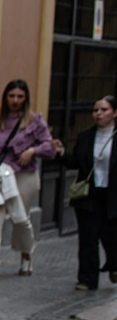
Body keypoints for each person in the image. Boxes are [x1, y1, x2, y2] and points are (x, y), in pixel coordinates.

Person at [0, 80, 61, 280]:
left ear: (26, 98)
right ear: (5, 97)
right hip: (0, 175)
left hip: (24, 175)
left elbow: (48, 146)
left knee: (21, 218)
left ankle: (26, 256)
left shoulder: (35, 121)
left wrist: (32, 150)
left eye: (20, 97)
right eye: (12, 96)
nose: (15, 100)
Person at [69, 95, 117, 291]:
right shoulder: (85, 136)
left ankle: (114, 264)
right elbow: (75, 162)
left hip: (113, 194)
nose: (98, 114)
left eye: (104, 110)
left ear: (114, 113)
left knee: (112, 236)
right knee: (88, 237)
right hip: (90, 193)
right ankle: (87, 279)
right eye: (96, 110)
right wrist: (58, 153)